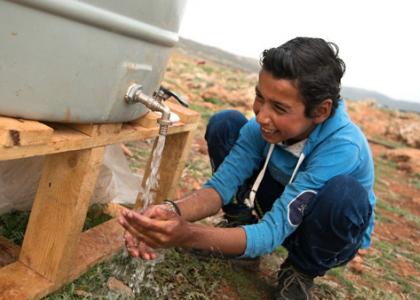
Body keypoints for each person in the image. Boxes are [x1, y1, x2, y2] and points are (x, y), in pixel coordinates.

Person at [118, 37, 375, 300]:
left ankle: (301, 269)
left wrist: (187, 234)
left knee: (344, 194)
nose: (262, 116)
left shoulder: (343, 148)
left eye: (279, 107)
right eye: (260, 98)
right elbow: (220, 187)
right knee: (226, 123)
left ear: (320, 111)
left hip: (324, 226)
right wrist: (172, 211)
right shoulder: (262, 127)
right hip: (281, 200)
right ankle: (240, 225)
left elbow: (272, 232)